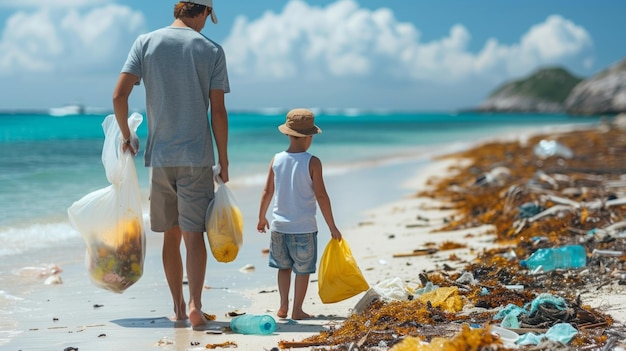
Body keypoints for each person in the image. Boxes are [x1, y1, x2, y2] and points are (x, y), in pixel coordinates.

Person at [112, 0, 229, 328]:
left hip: (161, 157)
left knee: (170, 236)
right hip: (197, 158)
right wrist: (224, 158)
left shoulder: (145, 42)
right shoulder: (211, 50)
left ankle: (177, 307)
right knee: (195, 236)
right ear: (203, 11)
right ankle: (195, 304)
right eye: (208, 17)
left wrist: (128, 136)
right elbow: (217, 112)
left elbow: (119, 96)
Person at [257, 108, 343, 320]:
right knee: (302, 271)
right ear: (310, 136)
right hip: (304, 229)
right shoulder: (313, 162)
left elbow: (267, 191)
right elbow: (322, 196)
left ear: (287, 133)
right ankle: (297, 310)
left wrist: (262, 217)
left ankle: (283, 305)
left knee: (283, 268)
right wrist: (332, 226)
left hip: (279, 228)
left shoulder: (276, 159)